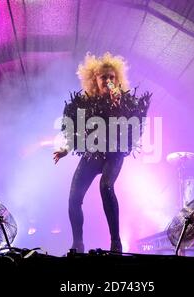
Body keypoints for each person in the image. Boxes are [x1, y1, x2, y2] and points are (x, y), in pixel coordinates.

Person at [53, 52, 151, 253]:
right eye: (103, 77)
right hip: (92, 154)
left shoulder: (124, 101)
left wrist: (119, 104)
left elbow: (136, 124)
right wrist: (65, 149)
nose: (107, 80)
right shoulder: (85, 103)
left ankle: (116, 242)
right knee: (73, 198)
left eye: (111, 77)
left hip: (114, 153)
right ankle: (78, 244)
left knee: (105, 186)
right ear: (94, 80)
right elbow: (77, 130)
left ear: (117, 79)